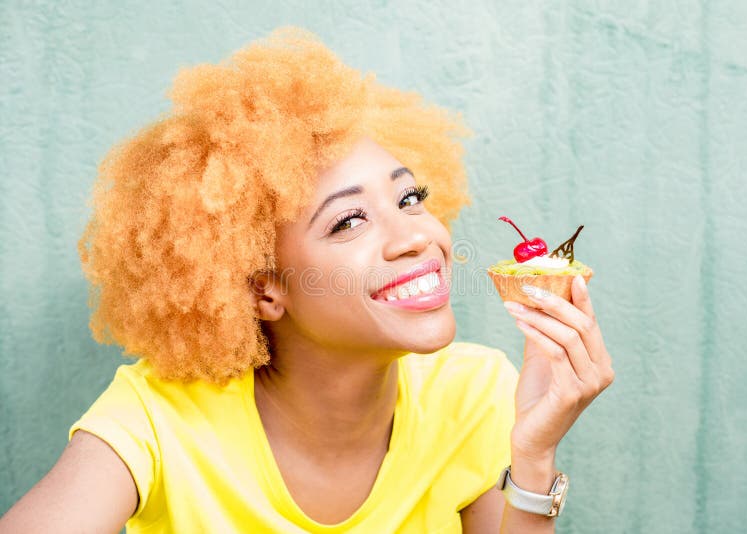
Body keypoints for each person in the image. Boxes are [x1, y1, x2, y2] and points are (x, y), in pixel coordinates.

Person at [0, 27, 614, 533]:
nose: (416, 237)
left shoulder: (475, 392)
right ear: (265, 289)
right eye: (349, 221)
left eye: (409, 198)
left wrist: (531, 459)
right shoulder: (158, 415)